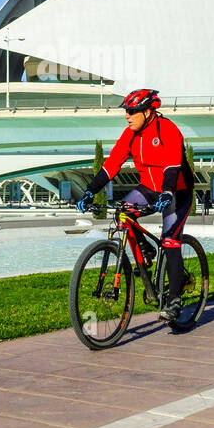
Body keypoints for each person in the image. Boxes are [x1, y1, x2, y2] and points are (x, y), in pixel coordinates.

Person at [77, 88, 195, 322]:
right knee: (123, 213)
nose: (127, 116)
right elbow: (111, 165)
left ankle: (174, 301)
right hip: (148, 188)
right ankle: (146, 249)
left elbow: (172, 166)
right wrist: (90, 190)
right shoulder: (130, 134)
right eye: (126, 111)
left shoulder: (168, 130)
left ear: (149, 111)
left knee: (171, 241)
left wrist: (168, 192)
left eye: (131, 111)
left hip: (176, 191)